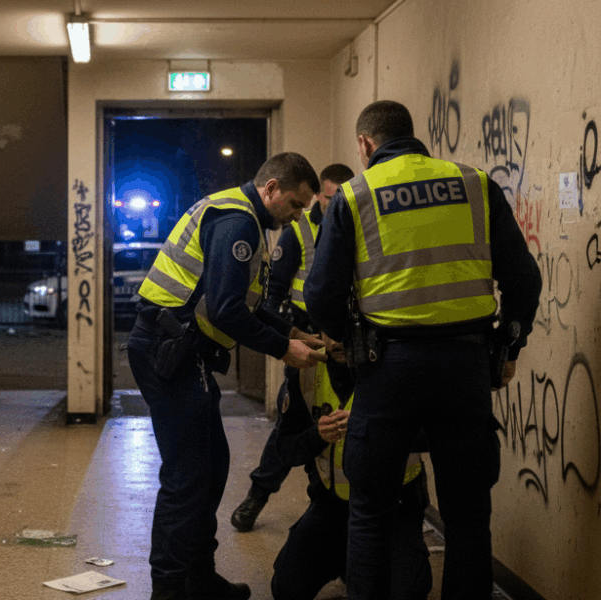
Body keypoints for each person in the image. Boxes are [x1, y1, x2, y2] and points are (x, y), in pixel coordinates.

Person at [304, 100, 542, 600]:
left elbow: (321, 296)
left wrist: (351, 342)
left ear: (366, 143)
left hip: (387, 369)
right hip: (465, 367)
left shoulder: (355, 195)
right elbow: (523, 278)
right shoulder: (475, 184)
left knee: (371, 511)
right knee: (468, 515)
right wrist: (508, 346)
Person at [128, 152, 326, 600]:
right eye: (295, 204)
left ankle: (199, 578)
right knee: (187, 477)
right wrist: (284, 350)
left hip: (179, 349)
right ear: (272, 189)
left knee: (211, 468)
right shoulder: (238, 223)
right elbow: (225, 310)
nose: (298, 216)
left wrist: (293, 332)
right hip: (171, 351)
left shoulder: (244, 218)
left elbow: (248, 304)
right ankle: (169, 590)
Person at [231, 163, 356, 533]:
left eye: (341, 198)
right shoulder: (299, 230)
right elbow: (272, 294)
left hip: (351, 341)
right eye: (329, 198)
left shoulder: (359, 222)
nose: (335, 205)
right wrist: (289, 336)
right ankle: (258, 494)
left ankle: (342, 502)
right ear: (319, 196)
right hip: (310, 342)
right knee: (294, 419)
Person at [270, 340, 432, 600]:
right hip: (331, 506)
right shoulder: (306, 368)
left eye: (344, 327)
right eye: (329, 329)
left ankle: (362, 565)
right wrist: (317, 436)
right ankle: (348, 561)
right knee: (286, 589)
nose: (336, 340)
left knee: (408, 592)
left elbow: (437, 437)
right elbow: (286, 450)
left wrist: (376, 429)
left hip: (395, 506)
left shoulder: (402, 364)